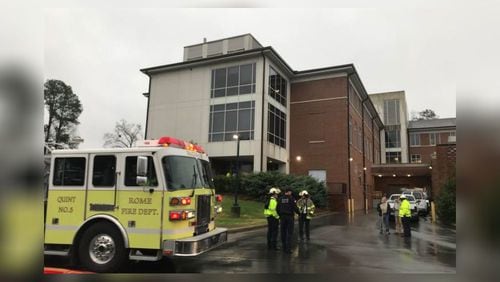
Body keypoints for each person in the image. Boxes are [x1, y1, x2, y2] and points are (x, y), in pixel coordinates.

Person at [277, 187, 299, 254]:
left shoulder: (280, 199)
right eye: (290, 192)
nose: (291, 193)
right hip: (289, 217)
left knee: (283, 232)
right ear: (289, 192)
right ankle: (288, 249)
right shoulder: (291, 198)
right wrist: (299, 213)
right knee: (289, 233)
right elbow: (295, 207)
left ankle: (284, 248)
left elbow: (277, 208)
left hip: (282, 217)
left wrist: (280, 215)